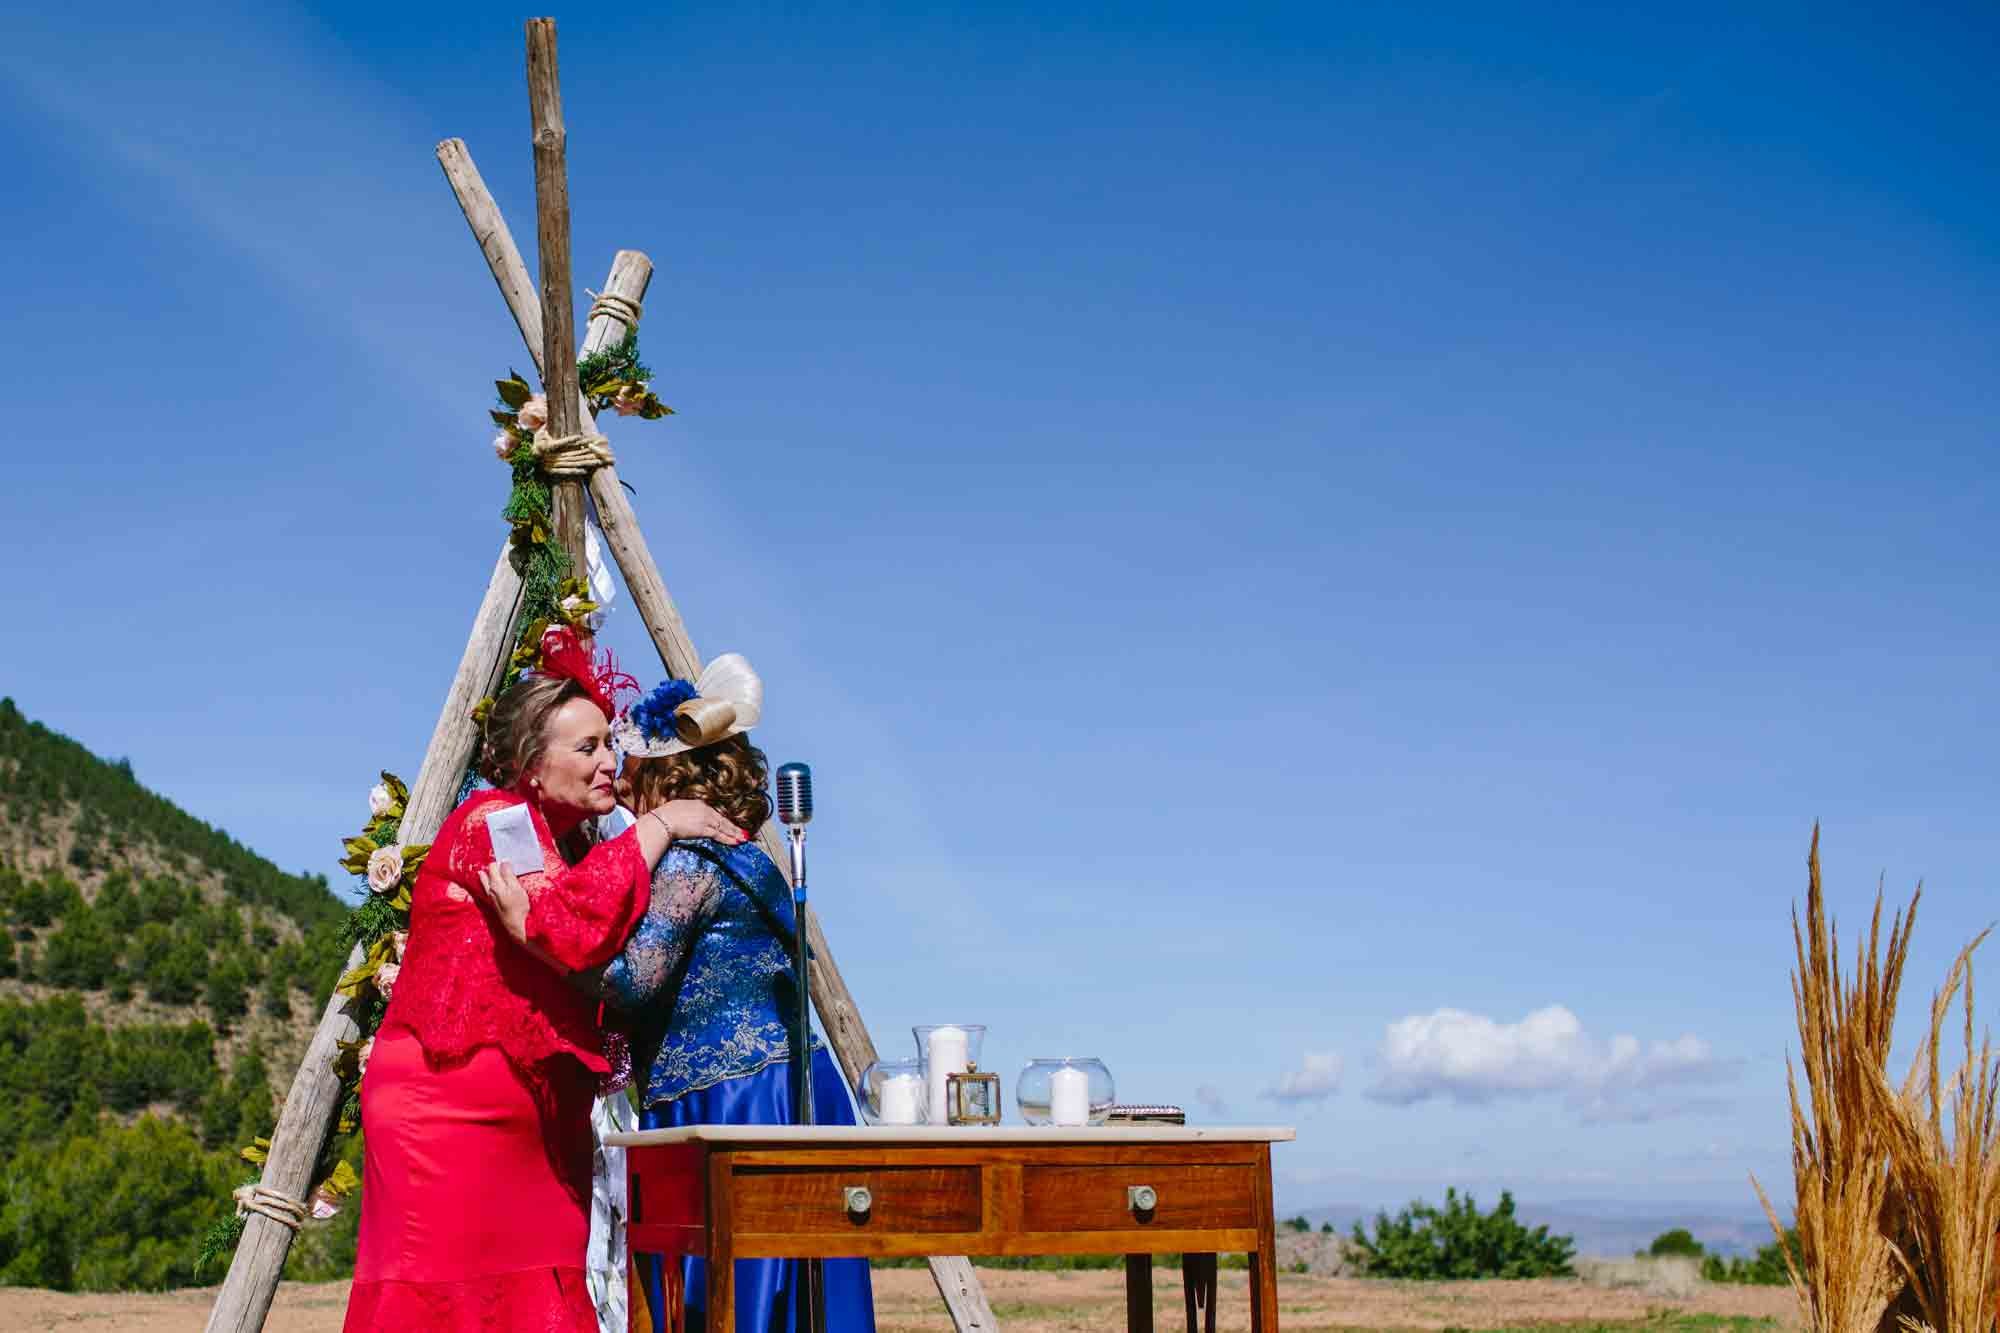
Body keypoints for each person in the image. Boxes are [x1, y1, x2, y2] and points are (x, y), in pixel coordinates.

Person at [344, 627, 750, 1332]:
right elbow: (571, 924)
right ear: (532, 763)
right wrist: (662, 825)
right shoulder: (496, 820)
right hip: (445, 1122)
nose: (608, 760)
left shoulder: (562, 842)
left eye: (608, 744)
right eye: (586, 747)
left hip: (527, 1128)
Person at [600, 653, 877, 1333]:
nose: (624, 780)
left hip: (730, 1099)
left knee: (732, 1295)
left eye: (635, 768)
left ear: (667, 774)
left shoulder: (691, 859)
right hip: (789, 1090)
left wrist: (539, 936)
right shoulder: (751, 854)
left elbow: (634, 981)